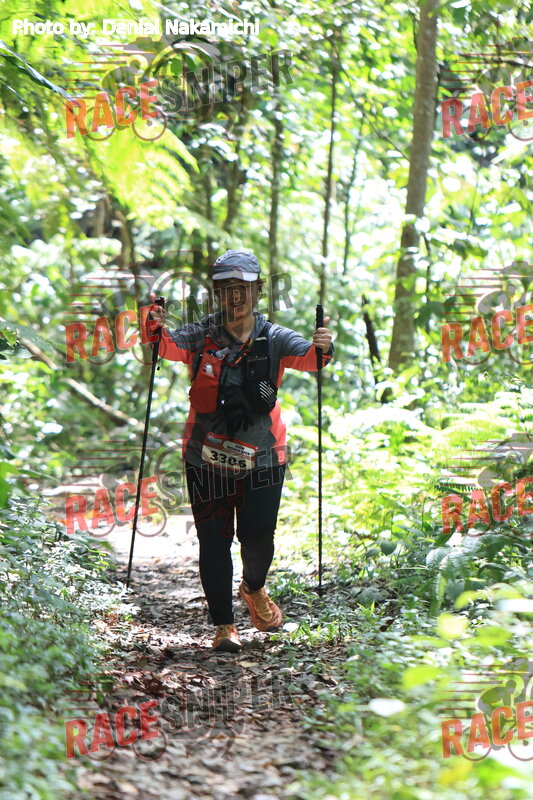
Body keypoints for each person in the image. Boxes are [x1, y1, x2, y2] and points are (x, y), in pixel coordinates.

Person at [147, 249, 333, 652]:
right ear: (217, 293)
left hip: (264, 456)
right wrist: (155, 328)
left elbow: (310, 359)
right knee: (213, 540)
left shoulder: (274, 337)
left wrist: (322, 346)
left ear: (258, 291)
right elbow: (168, 347)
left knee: (258, 538)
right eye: (227, 288)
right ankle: (224, 626)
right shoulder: (201, 334)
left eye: (243, 288)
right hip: (205, 456)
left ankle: (253, 587)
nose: (236, 296)